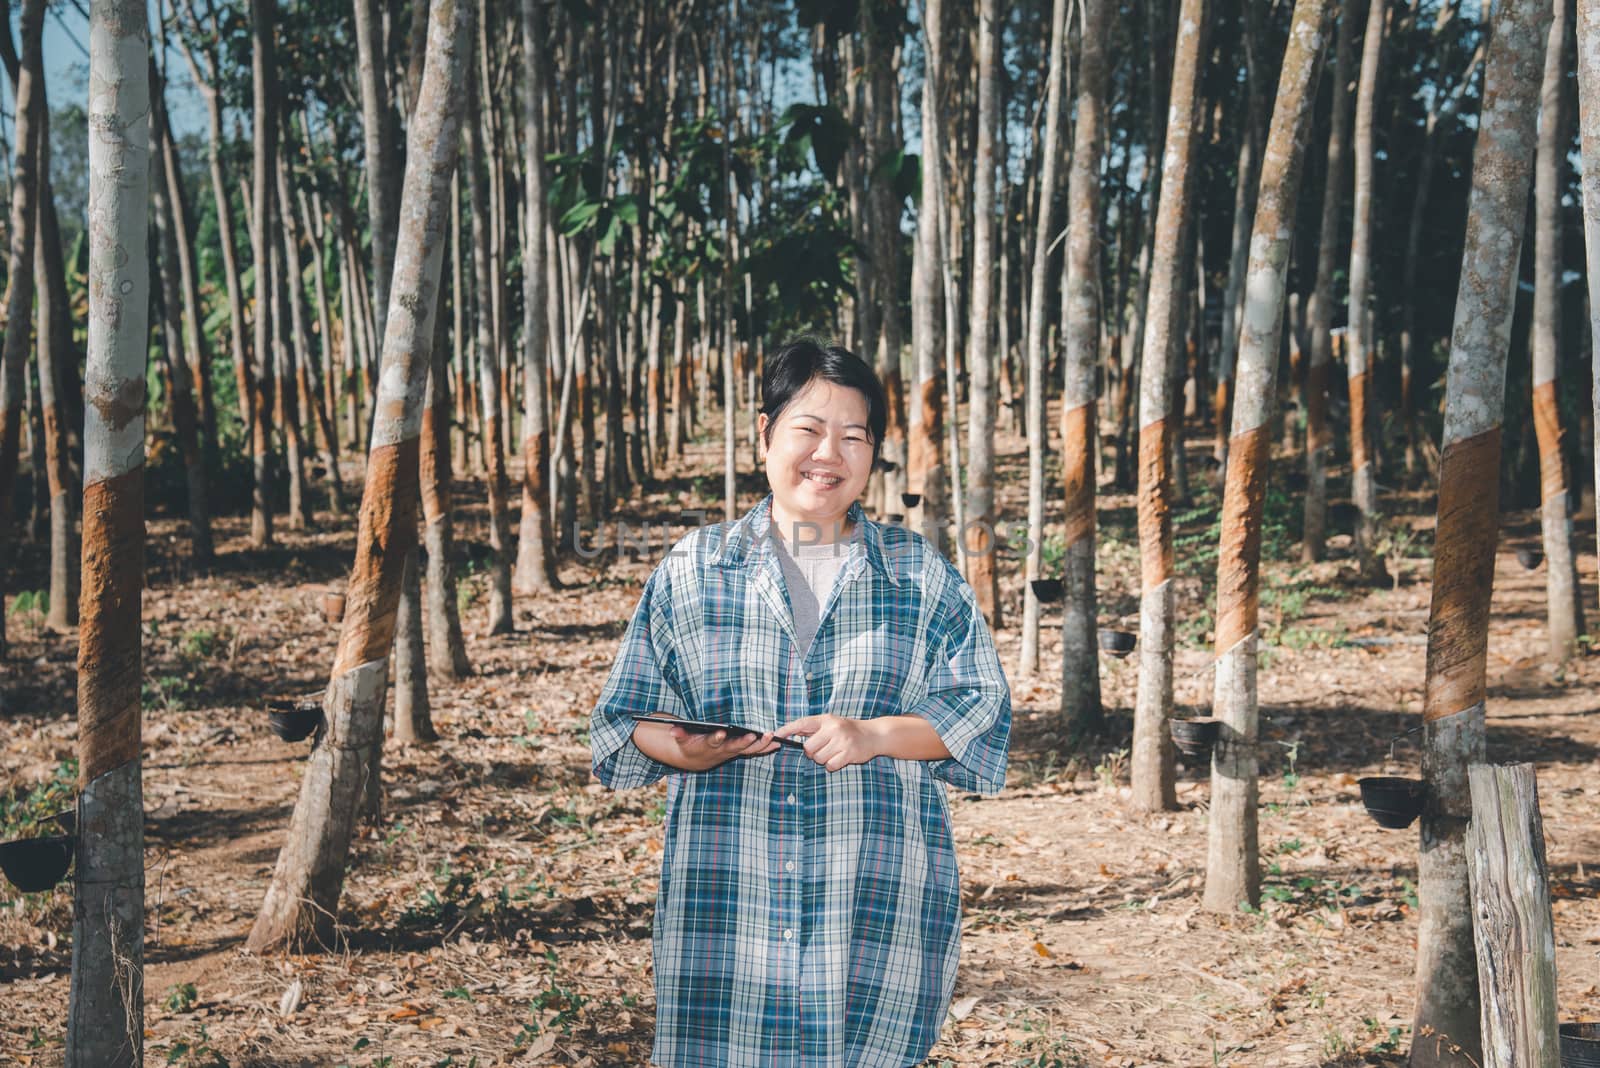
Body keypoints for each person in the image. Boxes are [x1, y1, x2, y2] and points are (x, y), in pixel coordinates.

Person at [589, 337, 1011, 1067]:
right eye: (809, 430)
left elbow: (980, 711)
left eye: (854, 436)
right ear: (764, 434)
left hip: (873, 899)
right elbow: (626, 720)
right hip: (730, 899)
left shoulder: (916, 574)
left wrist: (874, 734)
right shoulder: (694, 568)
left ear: (874, 455)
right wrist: (685, 749)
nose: (829, 453)